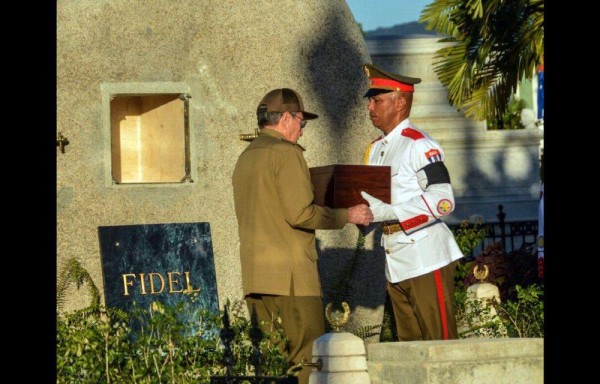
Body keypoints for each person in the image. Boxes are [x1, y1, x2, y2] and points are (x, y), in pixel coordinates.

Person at [232, 88, 373, 383]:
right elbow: (301, 214)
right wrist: (348, 215)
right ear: (285, 118)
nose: (301, 131)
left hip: (257, 279)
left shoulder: (246, 158)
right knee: (307, 361)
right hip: (292, 279)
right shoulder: (286, 153)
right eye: (301, 122)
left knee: (272, 366)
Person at [358, 63, 465, 341]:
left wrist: (389, 211)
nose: (370, 107)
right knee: (411, 350)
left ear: (401, 102)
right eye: (370, 100)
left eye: (377, 100)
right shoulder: (375, 148)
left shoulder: (419, 144)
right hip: (395, 259)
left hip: (425, 256)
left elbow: (443, 201)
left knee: (440, 344)